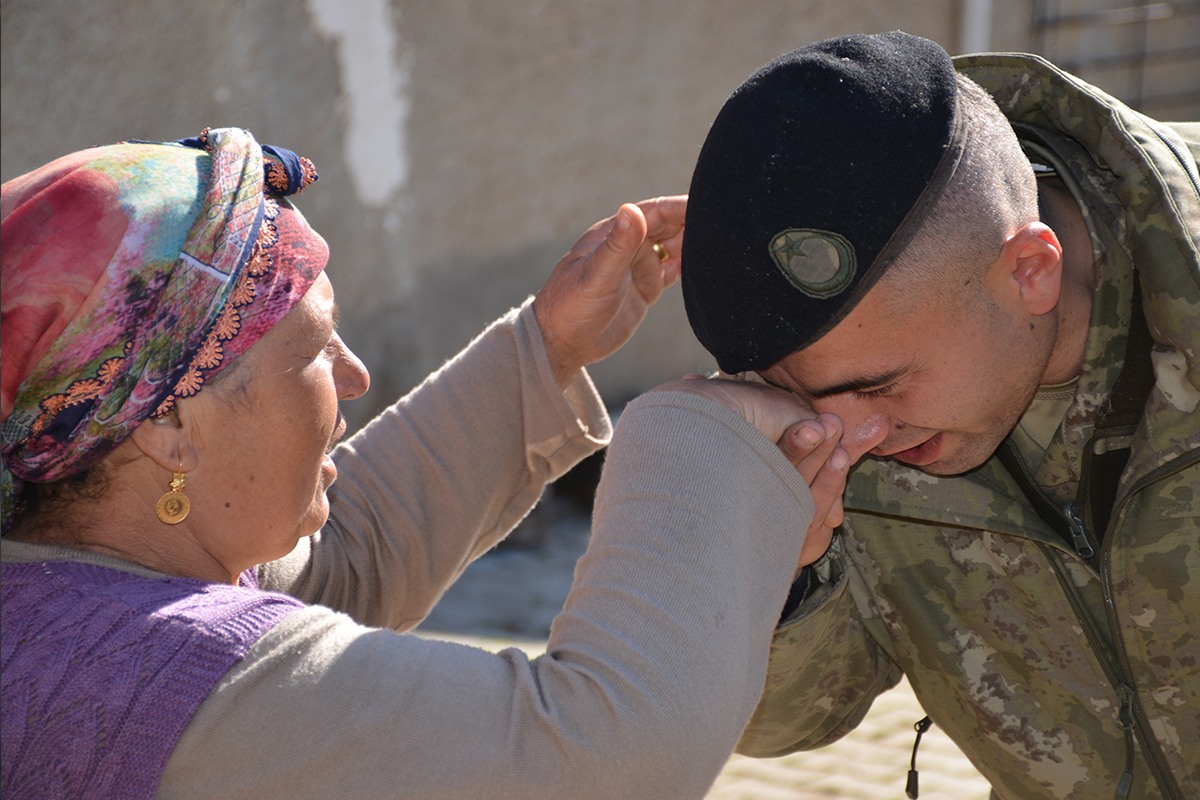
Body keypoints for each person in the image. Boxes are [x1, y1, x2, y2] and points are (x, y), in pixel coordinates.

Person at [0, 129, 852, 799]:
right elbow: (599, 757)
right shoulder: (166, 675)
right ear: (173, 426)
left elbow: (339, 564)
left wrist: (548, 348)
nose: (356, 375)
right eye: (312, 350)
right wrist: (699, 435)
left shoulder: (63, 589)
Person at [680, 31, 1198, 800]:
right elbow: (777, 723)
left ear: (1031, 271)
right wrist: (779, 570)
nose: (853, 439)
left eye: (884, 385)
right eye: (807, 395)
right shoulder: (841, 422)